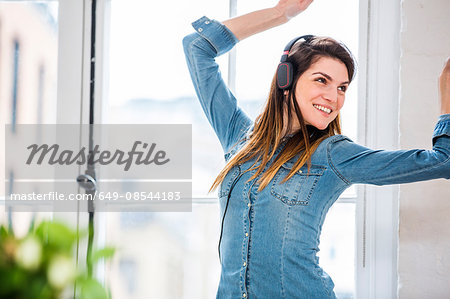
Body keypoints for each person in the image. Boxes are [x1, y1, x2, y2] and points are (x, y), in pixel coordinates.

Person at [182, 0, 450, 298]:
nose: (333, 96)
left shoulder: (334, 154)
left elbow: (443, 161)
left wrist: (447, 106)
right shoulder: (238, 136)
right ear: (287, 79)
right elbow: (197, 47)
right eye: (322, 80)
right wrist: (279, 14)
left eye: (342, 87)